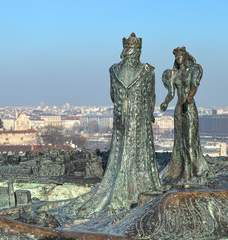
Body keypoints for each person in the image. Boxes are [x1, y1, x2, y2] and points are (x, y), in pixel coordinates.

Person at [53, 33, 161, 219]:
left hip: (120, 118)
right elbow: (151, 97)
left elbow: (113, 96)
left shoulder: (113, 70)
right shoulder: (147, 71)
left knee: (120, 151)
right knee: (138, 151)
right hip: (140, 120)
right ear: (138, 52)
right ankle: (138, 183)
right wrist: (148, 113)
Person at [160, 46, 209, 185]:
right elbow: (171, 94)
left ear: (185, 57)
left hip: (189, 107)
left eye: (180, 56)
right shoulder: (173, 75)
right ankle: (182, 170)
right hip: (178, 110)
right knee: (180, 142)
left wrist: (190, 96)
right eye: (176, 57)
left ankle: (191, 171)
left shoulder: (192, 71)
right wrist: (165, 103)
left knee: (189, 141)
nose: (177, 58)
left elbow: (194, 86)